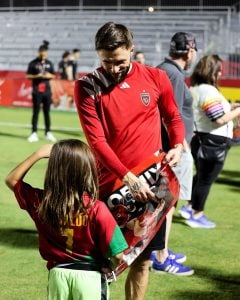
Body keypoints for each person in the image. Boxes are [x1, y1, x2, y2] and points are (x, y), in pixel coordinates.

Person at [74, 22, 185, 300]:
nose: (113, 68)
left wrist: (179, 145)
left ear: (132, 50)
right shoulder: (87, 87)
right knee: (99, 260)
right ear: (98, 55)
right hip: (110, 187)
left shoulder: (156, 77)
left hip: (153, 184)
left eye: (120, 61)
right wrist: (127, 176)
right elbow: (96, 142)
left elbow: (172, 117)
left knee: (143, 261)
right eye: (106, 61)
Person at [5, 139, 128, 300]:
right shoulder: (96, 209)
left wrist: (38, 154)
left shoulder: (41, 203)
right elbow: (118, 255)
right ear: (86, 171)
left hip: (58, 275)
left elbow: (12, 180)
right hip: (89, 278)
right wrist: (111, 267)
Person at [150, 32, 197, 275]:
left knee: (162, 203)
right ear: (190, 51)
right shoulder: (175, 75)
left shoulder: (164, 69)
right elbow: (172, 116)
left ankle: (159, 249)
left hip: (164, 148)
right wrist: (182, 149)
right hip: (172, 150)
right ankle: (161, 256)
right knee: (167, 205)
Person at [186, 54, 240, 228]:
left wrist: (230, 108)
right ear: (211, 70)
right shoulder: (208, 90)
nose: (220, 75)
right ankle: (196, 213)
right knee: (206, 179)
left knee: (201, 176)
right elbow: (219, 118)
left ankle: (189, 207)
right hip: (212, 141)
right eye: (218, 71)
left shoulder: (196, 88)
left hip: (201, 138)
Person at [26, 40, 56, 143]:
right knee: (36, 112)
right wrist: (37, 76)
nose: (43, 53)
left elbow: (53, 75)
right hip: (37, 91)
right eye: (41, 51)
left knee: (47, 112)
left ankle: (48, 132)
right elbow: (28, 75)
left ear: (46, 53)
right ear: (39, 52)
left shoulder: (49, 63)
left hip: (47, 92)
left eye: (45, 52)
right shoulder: (33, 63)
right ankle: (34, 133)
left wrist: (49, 76)